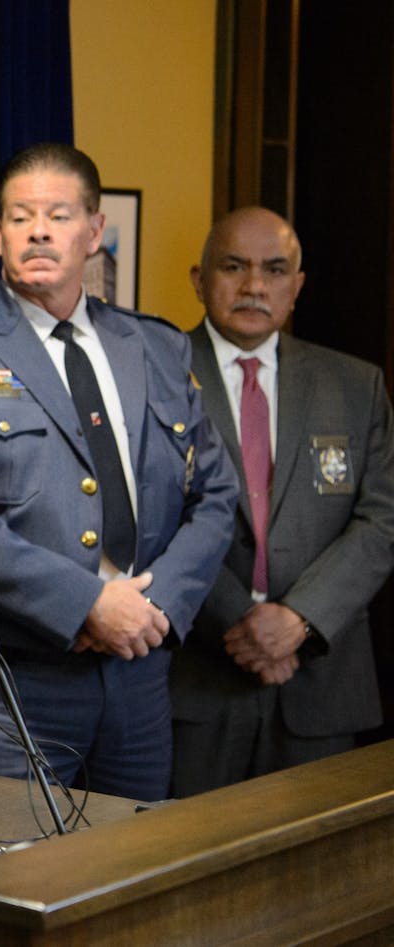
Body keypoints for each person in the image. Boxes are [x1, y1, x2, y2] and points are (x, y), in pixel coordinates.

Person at [0, 142, 239, 802]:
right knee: (5, 887)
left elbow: (216, 492)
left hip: (141, 678)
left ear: (95, 231)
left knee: (131, 883)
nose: (39, 231)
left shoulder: (157, 347)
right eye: (20, 217)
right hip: (16, 684)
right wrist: (88, 604)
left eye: (59, 214)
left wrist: (158, 605)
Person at [169, 207, 394, 796]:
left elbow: (381, 521)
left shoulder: (355, 384)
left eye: (274, 270)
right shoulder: (153, 375)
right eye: (234, 266)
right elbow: (147, 518)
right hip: (195, 682)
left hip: (322, 684)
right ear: (199, 278)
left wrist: (300, 619)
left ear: (297, 286)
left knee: (317, 880)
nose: (253, 286)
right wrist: (240, 620)